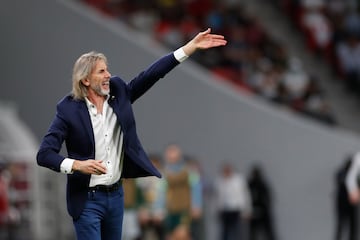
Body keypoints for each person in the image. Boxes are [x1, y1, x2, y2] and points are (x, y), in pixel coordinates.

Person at [36, 28, 227, 240]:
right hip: (87, 199)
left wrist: (189, 48)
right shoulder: (68, 110)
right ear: (86, 80)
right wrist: (77, 165)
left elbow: (152, 74)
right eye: (101, 71)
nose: (108, 75)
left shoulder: (119, 93)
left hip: (116, 196)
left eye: (107, 70)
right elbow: (44, 154)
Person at [215, 162, 252, 240]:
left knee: (238, 231)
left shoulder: (238, 180)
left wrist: (247, 210)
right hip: (224, 210)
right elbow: (218, 197)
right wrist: (217, 209)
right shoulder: (220, 181)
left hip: (236, 209)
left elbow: (245, 195)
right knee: (225, 232)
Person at [248, 164, 276, 240]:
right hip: (254, 211)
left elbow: (268, 198)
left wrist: (264, 207)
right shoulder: (251, 185)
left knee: (268, 233)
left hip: (263, 211)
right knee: (253, 233)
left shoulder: (262, 184)